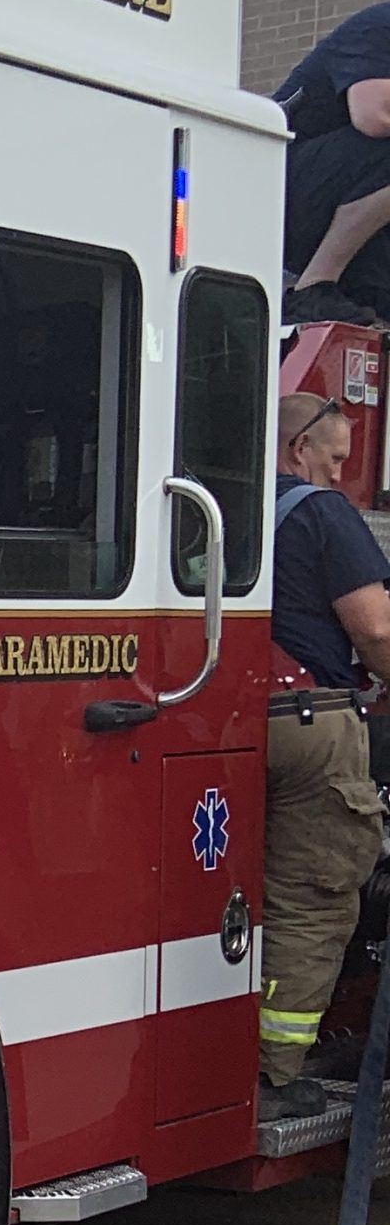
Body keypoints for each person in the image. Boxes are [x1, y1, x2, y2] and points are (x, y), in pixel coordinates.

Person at [261, 393, 390, 1114]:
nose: (341, 474)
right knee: (316, 901)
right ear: (298, 448)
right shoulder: (322, 513)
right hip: (316, 726)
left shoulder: (237, 513)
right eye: (335, 457)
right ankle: (275, 1076)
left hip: (242, 721)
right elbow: (375, 630)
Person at [278, 3, 390, 327]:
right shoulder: (379, 27)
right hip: (278, 190)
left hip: (349, 209)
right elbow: (374, 115)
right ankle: (313, 288)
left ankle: (362, 296)